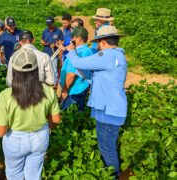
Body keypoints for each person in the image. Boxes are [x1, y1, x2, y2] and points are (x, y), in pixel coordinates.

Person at [65, 25, 127, 177]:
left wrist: (71, 51)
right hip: (109, 109)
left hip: (109, 111)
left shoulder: (108, 55)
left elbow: (79, 62)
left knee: (106, 148)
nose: (97, 46)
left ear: (103, 41)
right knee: (106, 146)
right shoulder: (116, 56)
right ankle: (111, 172)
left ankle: (114, 175)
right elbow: (98, 79)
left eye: (98, 42)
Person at [0, 48, 61, 180]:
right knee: (34, 175)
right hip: (40, 137)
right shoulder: (48, 90)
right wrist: (47, 128)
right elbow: (56, 119)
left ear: (14, 70)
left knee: (14, 174)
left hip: (15, 139)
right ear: (36, 69)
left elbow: (0, 132)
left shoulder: (5, 95)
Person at [58, 26, 92, 111]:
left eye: (73, 37)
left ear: (79, 38)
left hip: (73, 91)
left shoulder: (78, 52)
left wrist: (65, 90)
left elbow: (71, 75)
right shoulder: (88, 51)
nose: (71, 39)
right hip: (82, 88)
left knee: (68, 117)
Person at [41, 16, 63, 85]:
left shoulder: (59, 31)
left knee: (54, 68)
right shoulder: (45, 31)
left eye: (50, 24)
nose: (49, 26)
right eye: (48, 24)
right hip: (46, 51)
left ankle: (55, 83)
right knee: (45, 68)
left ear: (53, 23)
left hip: (54, 53)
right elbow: (42, 40)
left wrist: (56, 44)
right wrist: (43, 43)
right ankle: (46, 82)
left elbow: (61, 41)